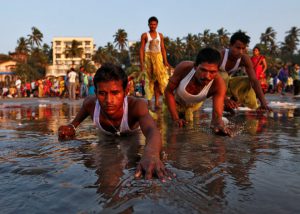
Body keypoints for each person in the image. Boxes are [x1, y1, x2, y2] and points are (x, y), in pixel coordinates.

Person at [58, 63, 168, 180]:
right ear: (95, 92)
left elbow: (152, 131)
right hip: (105, 137)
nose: (108, 100)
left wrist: (151, 154)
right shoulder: (90, 104)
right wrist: (67, 130)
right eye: (102, 94)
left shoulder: (136, 106)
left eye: (115, 93)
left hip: (133, 136)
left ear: (126, 91)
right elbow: (72, 126)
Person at [164, 47, 232, 136]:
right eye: (203, 70)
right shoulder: (184, 68)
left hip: (194, 107)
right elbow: (168, 92)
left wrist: (219, 125)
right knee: (169, 128)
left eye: (212, 72)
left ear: (217, 71)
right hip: (174, 102)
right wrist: (175, 118)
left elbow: (217, 115)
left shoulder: (219, 84)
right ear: (196, 67)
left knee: (190, 132)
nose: (207, 76)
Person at [219, 31, 271, 112]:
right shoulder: (220, 55)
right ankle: (223, 102)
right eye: (238, 48)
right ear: (230, 46)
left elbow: (254, 81)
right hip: (213, 86)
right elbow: (211, 78)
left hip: (227, 85)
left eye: (243, 48)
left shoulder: (244, 59)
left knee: (249, 80)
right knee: (223, 75)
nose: (241, 51)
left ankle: (251, 107)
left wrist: (263, 102)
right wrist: (224, 99)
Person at [139, 16, 170, 109]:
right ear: (148, 25)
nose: (153, 26)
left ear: (157, 25)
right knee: (149, 81)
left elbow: (163, 48)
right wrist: (141, 63)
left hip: (158, 58)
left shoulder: (160, 35)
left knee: (158, 81)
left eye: (154, 24)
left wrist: (166, 61)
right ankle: (149, 102)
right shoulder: (145, 35)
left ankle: (157, 102)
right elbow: (141, 49)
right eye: (151, 24)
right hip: (148, 59)